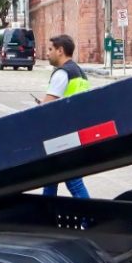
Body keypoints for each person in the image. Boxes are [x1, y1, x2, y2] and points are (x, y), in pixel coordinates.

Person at [41, 34, 90, 198]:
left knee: (74, 184)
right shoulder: (79, 72)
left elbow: (45, 107)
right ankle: (47, 217)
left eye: (50, 49)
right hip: (74, 132)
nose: (47, 53)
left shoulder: (62, 73)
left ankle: (89, 220)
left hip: (62, 137)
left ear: (60, 51)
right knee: (50, 180)